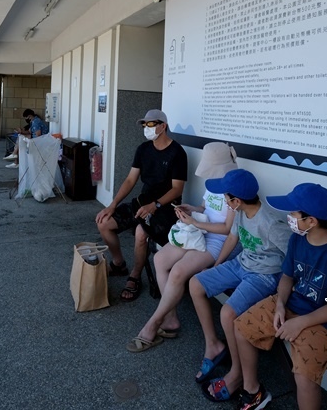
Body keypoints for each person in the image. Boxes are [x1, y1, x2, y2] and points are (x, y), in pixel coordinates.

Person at [234, 183, 327, 410]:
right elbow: (287, 277)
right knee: (242, 327)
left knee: (305, 379)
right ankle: (253, 392)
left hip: (324, 322)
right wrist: (280, 304)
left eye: (293, 213)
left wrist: (300, 322)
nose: (289, 217)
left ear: (311, 221)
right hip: (291, 305)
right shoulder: (297, 239)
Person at [187, 168, 292, 402]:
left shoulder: (272, 224)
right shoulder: (241, 212)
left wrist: (285, 295)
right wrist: (216, 266)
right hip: (240, 264)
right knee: (196, 284)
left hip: (263, 276)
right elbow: (233, 238)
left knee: (227, 313)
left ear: (235, 200)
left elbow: (292, 260)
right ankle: (213, 344)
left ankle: (236, 374)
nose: (224, 200)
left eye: (226, 197)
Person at [126, 142, 239, 352]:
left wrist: (194, 222)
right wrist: (191, 209)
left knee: (178, 271)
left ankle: (153, 323)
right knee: (160, 259)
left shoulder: (235, 186)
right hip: (198, 232)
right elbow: (205, 208)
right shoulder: (213, 181)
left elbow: (227, 229)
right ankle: (170, 317)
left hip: (216, 240)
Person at [95, 109, 187, 302]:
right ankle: (119, 264)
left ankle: (135, 276)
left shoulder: (177, 153)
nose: (147, 128)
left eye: (151, 124)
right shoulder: (143, 149)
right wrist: (112, 205)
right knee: (104, 222)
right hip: (143, 202)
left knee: (140, 233)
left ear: (163, 126)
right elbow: (130, 180)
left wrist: (156, 205)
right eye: (145, 124)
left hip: (167, 207)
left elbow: (177, 189)